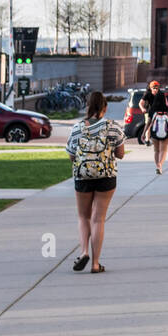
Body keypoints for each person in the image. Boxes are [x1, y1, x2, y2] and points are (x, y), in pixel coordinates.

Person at [64, 91, 126, 273]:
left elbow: (71, 155)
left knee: (83, 216)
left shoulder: (77, 128)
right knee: (99, 219)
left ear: (87, 107)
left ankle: (84, 252)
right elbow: (121, 154)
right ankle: (96, 264)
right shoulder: (113, 127)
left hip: (83, 177)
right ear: (105, 108)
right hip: (106, 176)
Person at [139, 79, 168, 174]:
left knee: (156, 151)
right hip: (165, 132)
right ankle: (160, 166)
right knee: (164, 151)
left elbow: (148, 123)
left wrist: (144, 134)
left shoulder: (152, 110)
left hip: (154, 131)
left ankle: (157, 165)